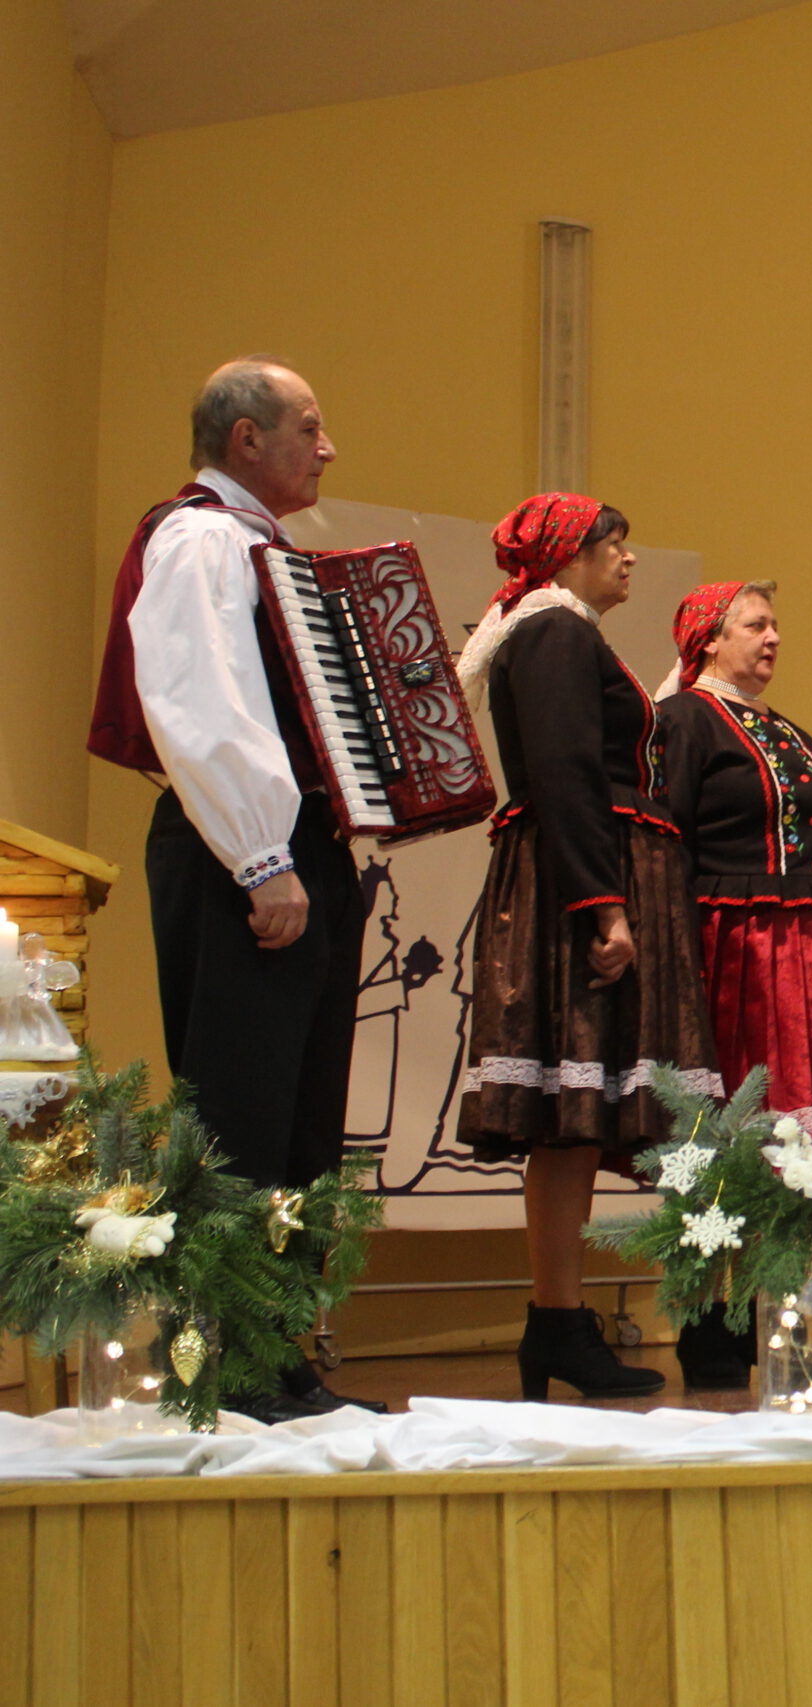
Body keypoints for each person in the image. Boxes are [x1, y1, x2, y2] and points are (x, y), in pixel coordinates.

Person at [86, 358, 378, 1421]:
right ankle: (222, 1362)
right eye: (308, 425)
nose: (327, 447)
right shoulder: (202, 538)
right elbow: (197, 699)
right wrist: (263, 855)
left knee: (300, 1122)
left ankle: (272, 1351)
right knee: (241, 1115)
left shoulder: (260, 546)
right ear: (246, 437)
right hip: (240, 850)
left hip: (295, 844)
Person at [455, 493, 722, 1401]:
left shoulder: (557, 631)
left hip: (593, 867)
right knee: (569, 1117)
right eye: (615, 543)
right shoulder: (556, 632)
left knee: (578, 1122)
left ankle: (557, 1327)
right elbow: (566, 772)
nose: (630, 558)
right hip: (583, 876)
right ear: (569, 554)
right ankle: (558, 1321)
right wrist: (603, 906)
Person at [656, 579, 812, 1388]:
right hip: (735, 950)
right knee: (729, 1132)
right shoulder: (683, 721)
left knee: (810, 1134)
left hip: (811, 952)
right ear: (709, 639)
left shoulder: (789, 731)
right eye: (756, 624)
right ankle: (710, 1321)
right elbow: (665, 844)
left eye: (776, 623)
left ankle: (800, 1315)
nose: (774, 636)